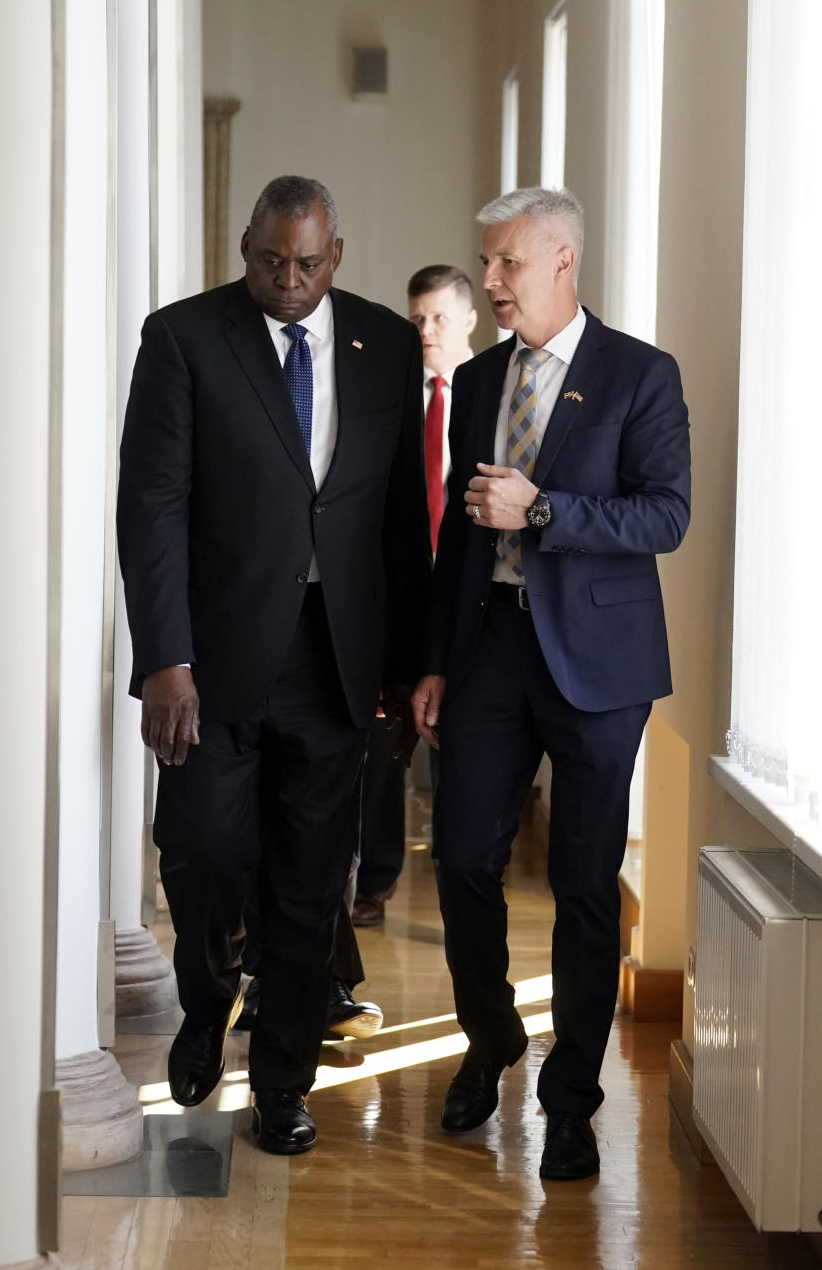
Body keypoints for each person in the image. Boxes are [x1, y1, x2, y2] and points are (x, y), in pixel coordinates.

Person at [117, 175, 430, 1155]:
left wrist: (410, 663)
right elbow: (151, 505)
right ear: (245, 244)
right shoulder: (183, 339)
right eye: (268, 260)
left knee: (308, 881)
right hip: (212, 657)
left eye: (306, 263)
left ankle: (282, 1081)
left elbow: (399, 519)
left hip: (337, 656)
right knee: (203, 846)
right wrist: (163, 656)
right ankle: (209, 1000)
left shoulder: (385, 350)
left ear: (336, 254)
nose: (287, 281)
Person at [411, 186, 690, 1181]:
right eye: (486, 263)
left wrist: (544, 509)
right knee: (462, 857)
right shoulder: (482, 379)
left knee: (582, 883)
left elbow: (665, 515)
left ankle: (572, 1099)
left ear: (563, 261)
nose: (489, 282)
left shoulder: (640, 376)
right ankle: (490, 1038)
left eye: (507, 264)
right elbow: (454, 540)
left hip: (600, 667)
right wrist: (437, 659)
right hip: (489, 651)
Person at [352, 265, 477, 928]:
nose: (424, 331)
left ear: (466, 322)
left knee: (463, 745)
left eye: (437, 318)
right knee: (383, 739)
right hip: (403, 589)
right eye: (416, 319)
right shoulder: (392, 397)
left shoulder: (488, 395)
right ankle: (375, 879)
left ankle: (463, 880)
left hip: (466, 594)